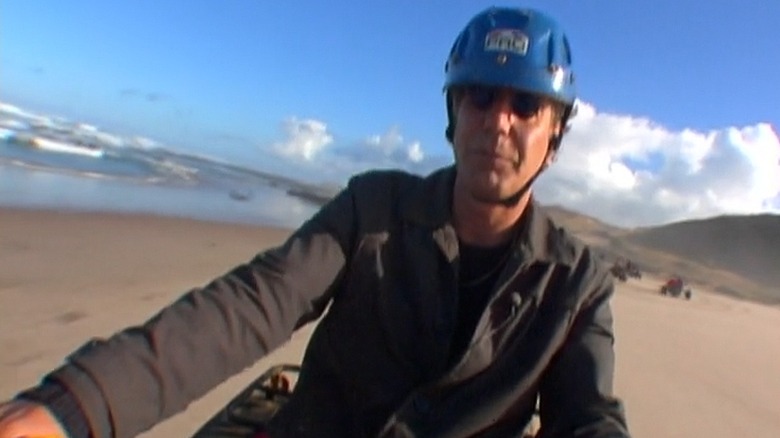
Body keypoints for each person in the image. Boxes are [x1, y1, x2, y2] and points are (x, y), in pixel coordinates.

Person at [0, 6, 631, 438]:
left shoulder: (578, 286)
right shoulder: (371, 210)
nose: (498, 121)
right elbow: (247, 307)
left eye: (526, 105)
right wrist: (76, 407)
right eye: (481, 96)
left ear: (554, 137)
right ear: (453, 112)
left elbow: (590, 419)